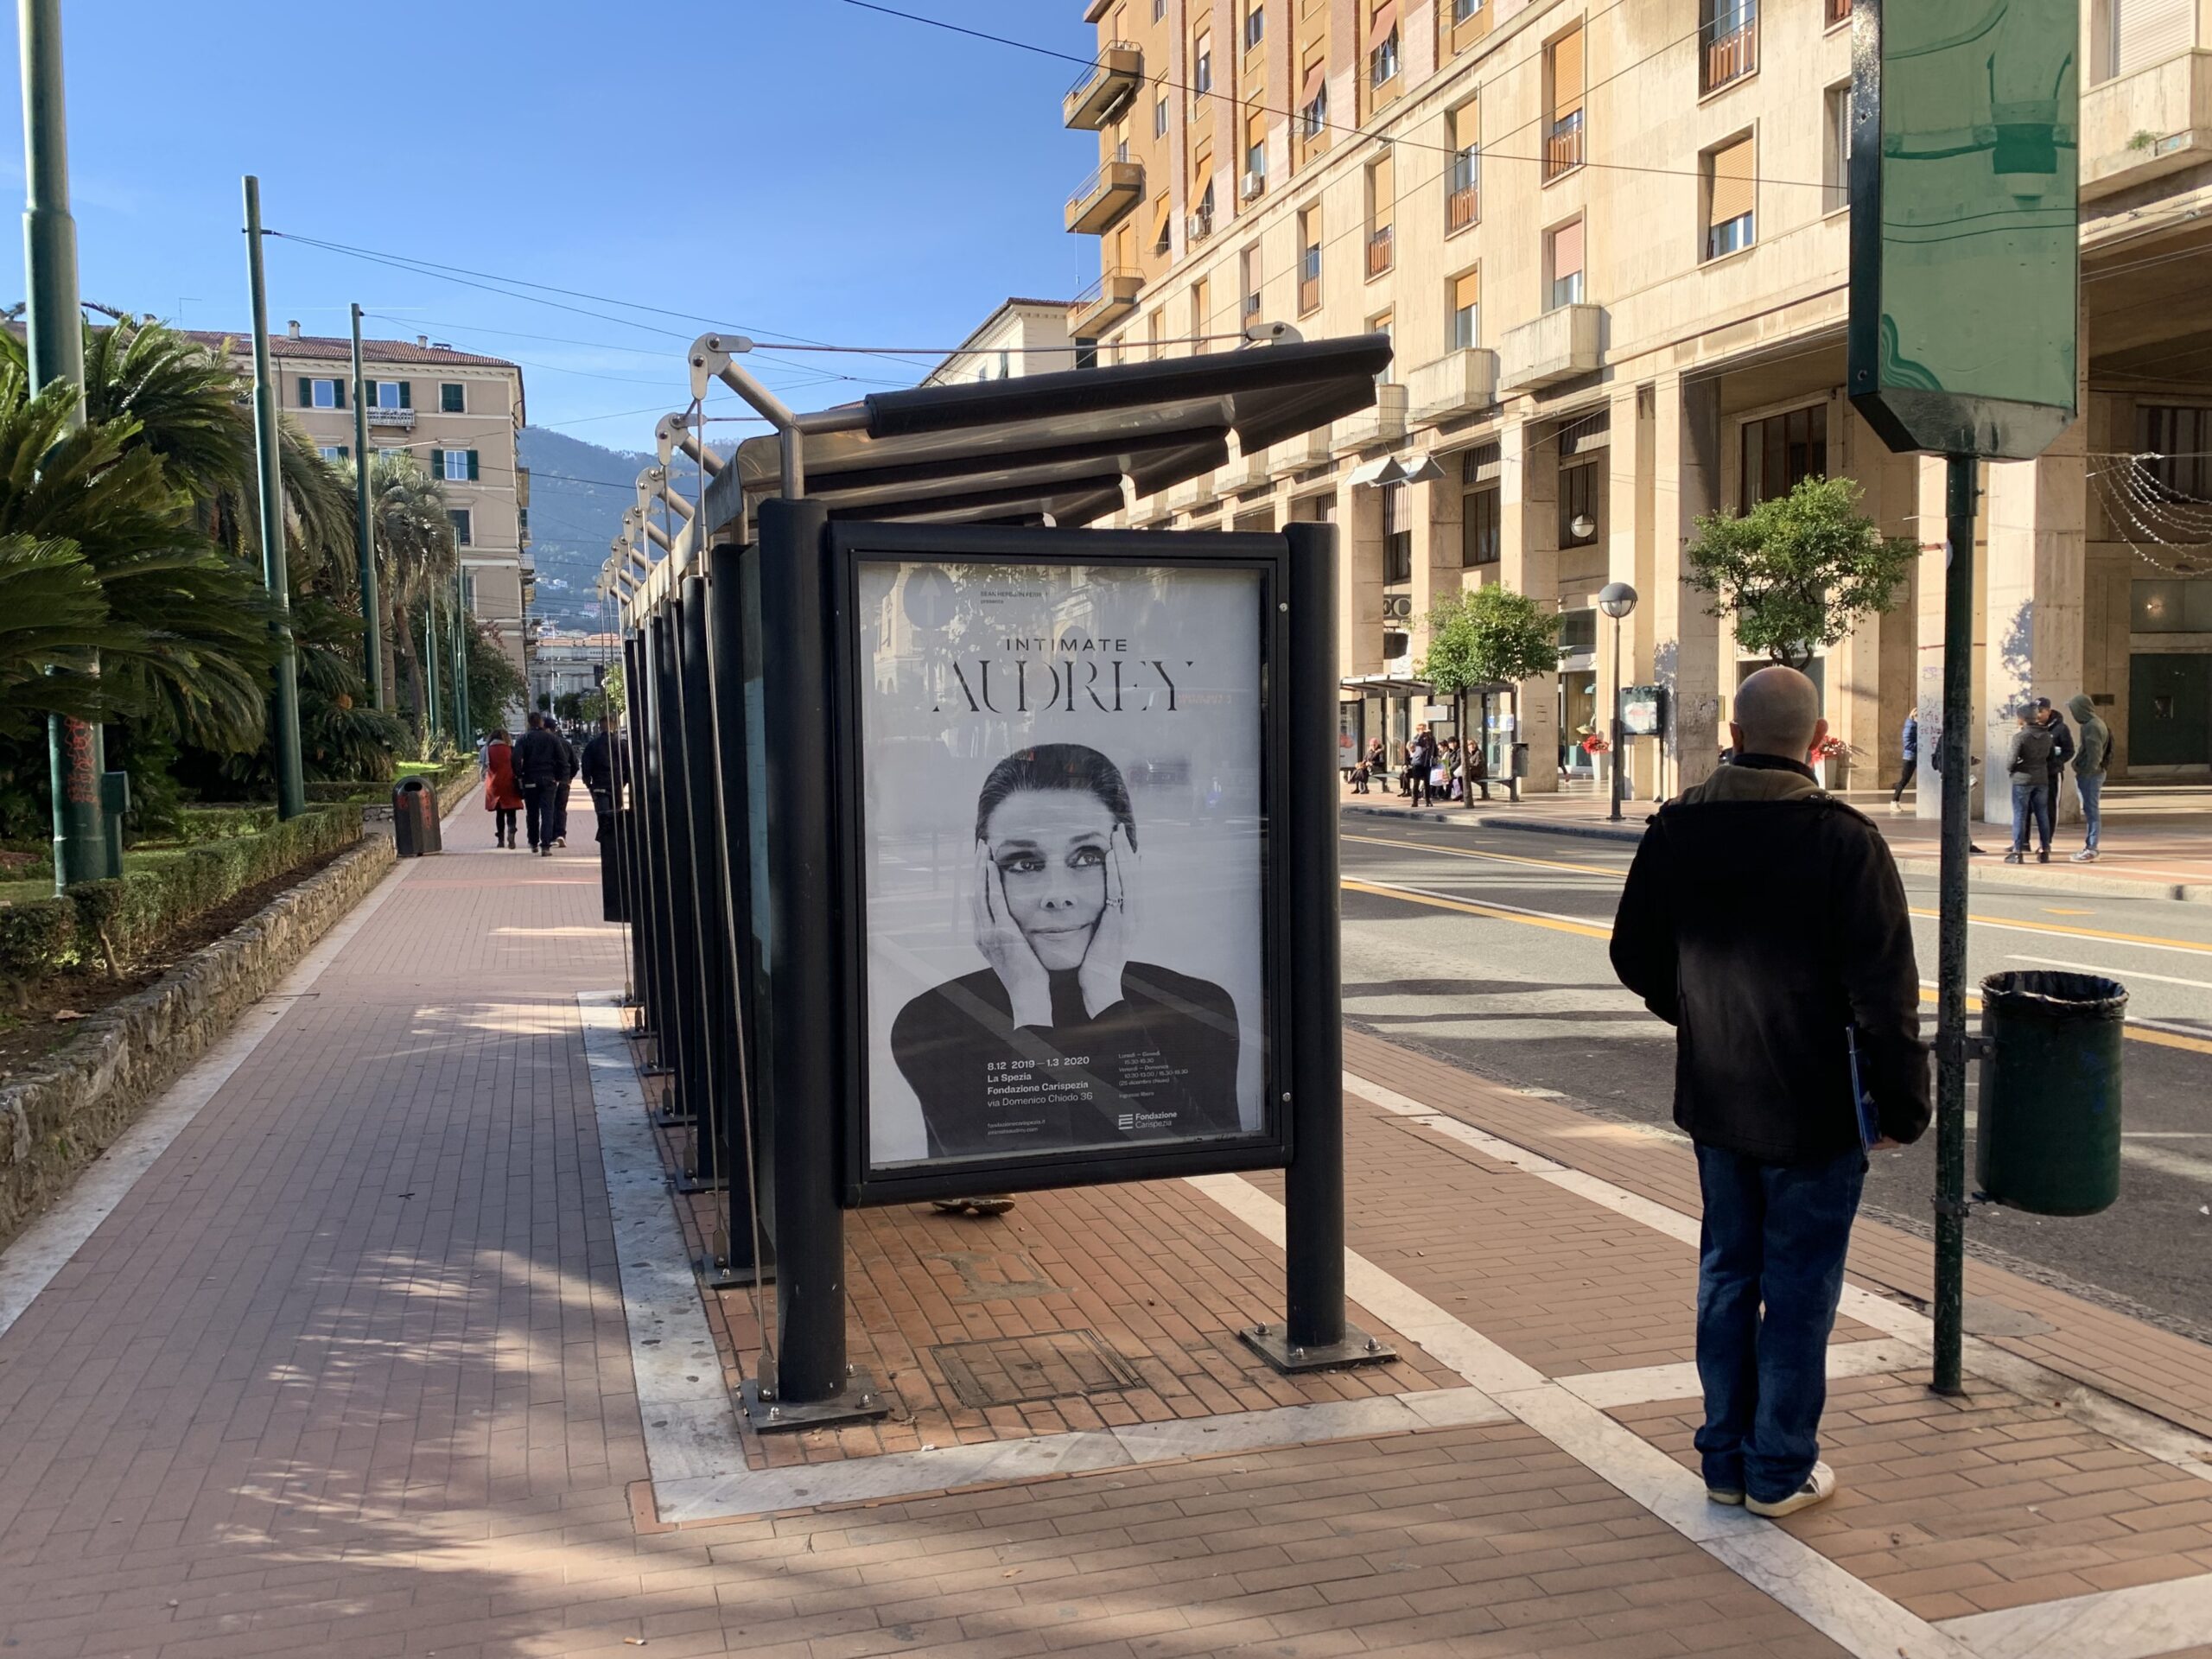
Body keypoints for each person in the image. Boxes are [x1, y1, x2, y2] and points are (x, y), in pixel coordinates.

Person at [1610, 665, 1929, 1521]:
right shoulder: (1843, 840)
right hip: (1816, 1108)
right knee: (1798, 1286)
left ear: (1735, 737)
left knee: (1726, 1271)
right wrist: (1903, 1106)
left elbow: (1633, 954)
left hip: (1718, 1098)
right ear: (1817, 742)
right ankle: (1779, 1468)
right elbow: (1885, 993)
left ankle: (1724, 1459)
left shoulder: (1677, 829)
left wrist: (1700, 1012)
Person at [889, 743, 1245, 1161]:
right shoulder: (931, 1021)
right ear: (984, 880)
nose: (1058, 896)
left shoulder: (1198, 1006)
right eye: (1024, 864)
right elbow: (1021, 1162)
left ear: (1129, 868)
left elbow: (1200, 1155)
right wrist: (1028, 1001)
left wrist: (1105, 993)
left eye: (1088, 857)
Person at [512, 712, 573, 856]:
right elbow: (562, 760)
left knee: (532, 812)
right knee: (548, 812)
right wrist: (560, 778)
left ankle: (533, 842)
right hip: (548, 779)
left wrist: (519, 775)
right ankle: (545, 845)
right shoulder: (552, 739)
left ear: (529, 723)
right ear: (541, 723)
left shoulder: (523, 739)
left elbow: (515, 759)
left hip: (530, 779)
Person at [2003, 705, 2057, 864]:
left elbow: (2010, 762)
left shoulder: (2020, 737)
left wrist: (2014, 769)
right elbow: (2052, 758)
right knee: (2042, 814)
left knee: (2020, 814)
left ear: (2022, 719)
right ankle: (2044, 850)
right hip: (2041, 778)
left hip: (2022, 779)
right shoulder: (2047, 736)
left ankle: (2018, 852)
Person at [2068, 693, 2109, 862]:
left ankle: (2092, 848)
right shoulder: (2094, 724)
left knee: (2091, 811)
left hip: (2091, 775)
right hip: (2092, 773)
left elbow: (2095, 754)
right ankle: (2090, 847)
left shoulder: (2091, 726)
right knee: (2090, 810)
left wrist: (2085, 770)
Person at [482, 729, 522, 849]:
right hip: (510, 783)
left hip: (494, 784)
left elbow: (483, 766)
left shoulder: (487, 750)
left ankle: (500, 839)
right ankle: (511, 830)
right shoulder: (511, 750)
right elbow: (517, 766)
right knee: (511, 811)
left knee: (499, 813)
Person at [1891, 711, 1917, 810]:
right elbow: (1908, 744)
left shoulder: (1915, 726)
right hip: (1910, 757)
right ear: (1914, 716)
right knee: (1904, 780)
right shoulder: (1910, 727)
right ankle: (1894, 801)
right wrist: (1922, 743)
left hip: (1917, 757)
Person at [1408, 723, 1436, 808]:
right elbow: (1416, 743)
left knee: (1427, 782)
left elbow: (1434, 747)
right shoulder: (1416, 737)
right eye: (1422, 729)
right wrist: (1421, 735)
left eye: (1424, 728)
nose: (1424, 730)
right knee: (1416, 783)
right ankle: (1415, 801)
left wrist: (1435, 756)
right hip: (1418, 763)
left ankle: (1428, 800)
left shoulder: (1431, 738)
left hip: (1427, 762)